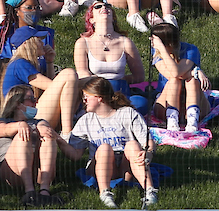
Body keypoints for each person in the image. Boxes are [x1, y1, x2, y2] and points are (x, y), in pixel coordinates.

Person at [59, 77, 158, 209]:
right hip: (100, 167)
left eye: (86, 97)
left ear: (99, 97)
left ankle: (150, 191)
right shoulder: (86, 120)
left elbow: (148, 141)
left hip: (125, 168)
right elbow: (76, 155)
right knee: (105, 148)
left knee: (133, 145)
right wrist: (58, 139)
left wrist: (149, 153)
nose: (84, 101)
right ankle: (105, 193)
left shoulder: (127, 113)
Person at [0, 85, 62, 207]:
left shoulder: (39, 121)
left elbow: (45, 126)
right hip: (12, 173)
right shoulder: (2, 121)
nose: (36, 102)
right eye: (31, 99)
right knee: (22, 136)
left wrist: (41, 128)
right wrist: (20, 125)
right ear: (18, 103)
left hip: (39, 172)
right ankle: (30, 192)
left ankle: (45, 191)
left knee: (47, 136)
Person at [1, 27, 80, 134]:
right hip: (24, 120)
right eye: (39, 40)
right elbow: (54, 87)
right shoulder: (19, 63)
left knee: (81, 83)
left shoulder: (25, 63)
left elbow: (54, 90)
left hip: (33, 114)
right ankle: (67, 133)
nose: (43, 43)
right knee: (69, 74)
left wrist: (49, 62)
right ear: (26, 43)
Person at [72, 2, 147, 109]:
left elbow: (139, 76)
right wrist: (101, 84)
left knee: (141, 103)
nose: (104, 7)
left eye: (108, 6)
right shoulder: (82, 43)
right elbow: (82, 72)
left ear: (113, 18)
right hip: (96, 92)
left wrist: (118, 80)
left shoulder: (125, 42)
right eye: (97, 7)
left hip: (120, 92)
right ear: (91, 19)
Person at [149, 21, 209, 133]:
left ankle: (192, 122)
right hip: (166, 103)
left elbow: (177, 72)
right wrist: (195, 71)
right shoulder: (156, 52)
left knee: (192, 81)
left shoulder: (190, 50)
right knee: (174, 81)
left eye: (154, 40)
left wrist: (162, 49)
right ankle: (172, 123)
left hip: (193, 101)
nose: (152, 43)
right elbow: (173, 74)